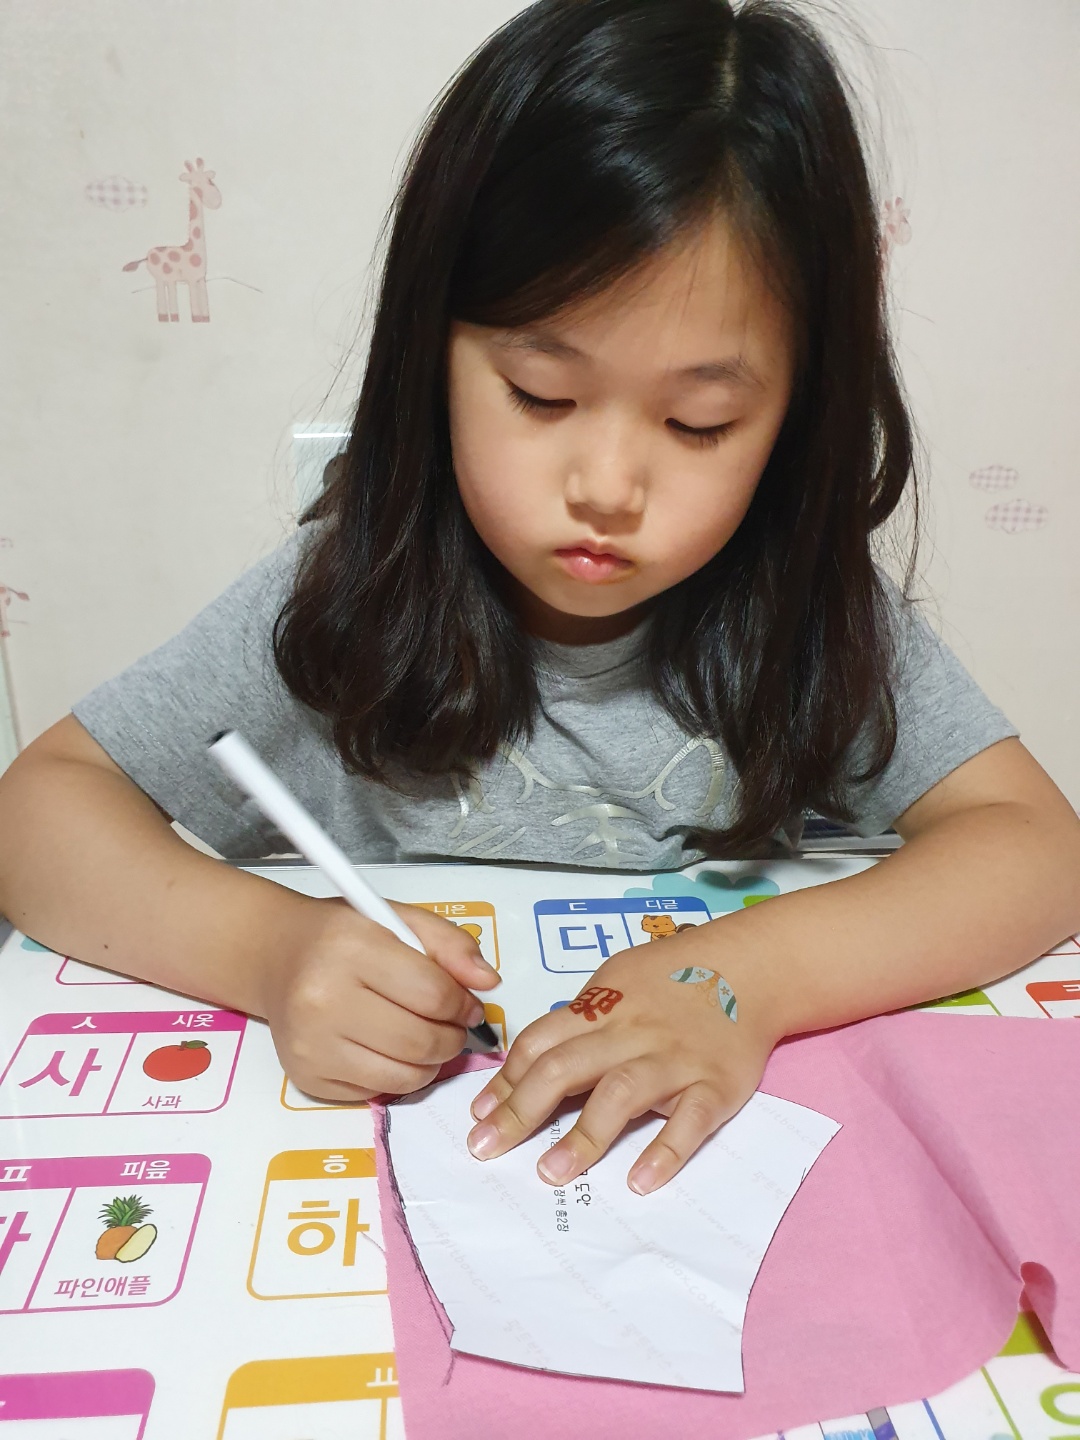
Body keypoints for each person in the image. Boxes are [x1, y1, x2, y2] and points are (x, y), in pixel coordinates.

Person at [1, 0, 1078, 1198]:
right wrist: (271, 950)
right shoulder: (345, 597)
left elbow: (1037, 848)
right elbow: (39, 812)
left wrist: (748, 977)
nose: (607, 487)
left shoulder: (808, 610)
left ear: (796, 417)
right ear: (432, 356)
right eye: (541, 394)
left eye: (700, 422)